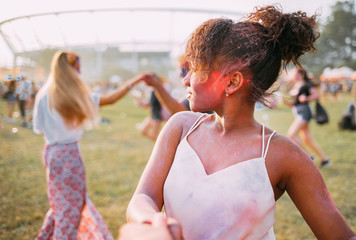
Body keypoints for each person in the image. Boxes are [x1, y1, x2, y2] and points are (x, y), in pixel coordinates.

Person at [125, 6, 355, 240]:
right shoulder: (180, 127)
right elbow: (144, 197)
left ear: (232, 81)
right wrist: (154, 222)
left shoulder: (284, 155)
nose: (185, 79)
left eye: (195, 68)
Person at [33, 50, 149, 240]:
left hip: (51, 153)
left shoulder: (43, 95)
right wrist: (135, 81)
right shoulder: (73, 95)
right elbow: (110, 99)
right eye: (77, 69)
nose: (79, 74)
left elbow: (38, 129)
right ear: (71, 70)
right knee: (70, 211)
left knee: (59, 205)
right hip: (69, 155)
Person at [284, 67, 330, 168]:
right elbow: (295, 103)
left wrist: (307, 98)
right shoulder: (296, 85)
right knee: (307, 139)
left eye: (295, 73)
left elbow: (316, 95)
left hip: (304, 113)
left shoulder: (306, 84)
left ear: (300, 74)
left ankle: (309, 156)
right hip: (298, 112)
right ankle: (325, 159)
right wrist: (286, 103)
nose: (293, 75)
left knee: (291, 134)